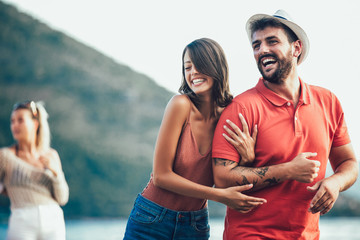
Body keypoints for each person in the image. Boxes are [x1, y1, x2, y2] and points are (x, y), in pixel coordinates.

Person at [212, 9, 359, 239]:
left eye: (272, 41)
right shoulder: (241, 108)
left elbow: (349, 163)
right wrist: (288, 170)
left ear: (296, 48)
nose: (262, 50)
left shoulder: (328, 102)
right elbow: (221, 179)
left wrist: (335, 183)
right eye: (256, 45)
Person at [123, 38, 267, 240]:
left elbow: (225, 178)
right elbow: (161, 176)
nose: (193, 73)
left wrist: (247, 157)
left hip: (195, 226)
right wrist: (219, 196)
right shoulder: (180, 105)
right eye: (187, 67)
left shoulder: (230, 115)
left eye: (199, 64)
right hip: (151, 219)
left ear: (215, 66)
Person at [0, 100, 69, 240]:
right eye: (12, 121)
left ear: (35, 124)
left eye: (20, 120)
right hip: (21, 220)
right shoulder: (5, 156)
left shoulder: (51, 155)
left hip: (54, 220)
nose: (15, 125)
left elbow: (62, 198)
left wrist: (57, 173)